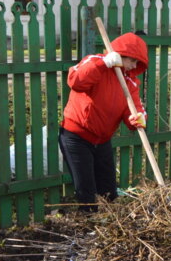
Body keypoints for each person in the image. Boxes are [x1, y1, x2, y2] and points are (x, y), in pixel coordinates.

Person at [59, 32, 148, 210]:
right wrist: (103, 64)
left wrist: (137, 118)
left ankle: (108, 225)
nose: (134, 65)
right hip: (76, 137)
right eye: (133, 60)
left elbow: (135, 107)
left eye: (138, 63)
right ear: (123, 54)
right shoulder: (94, 61)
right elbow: (76, 81)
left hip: (102, 140)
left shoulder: (130, 82)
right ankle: (88, 228)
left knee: (109, 191)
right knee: (87, 193)